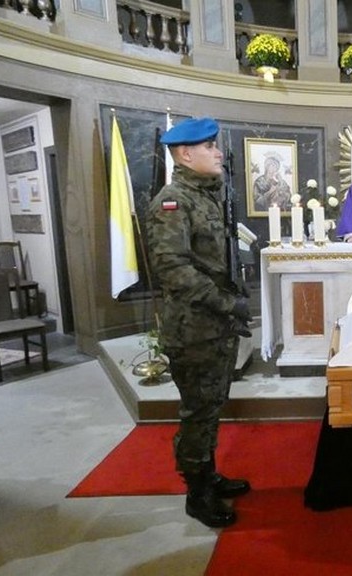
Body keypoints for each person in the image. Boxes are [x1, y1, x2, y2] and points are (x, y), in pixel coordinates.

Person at [148, 117, 253, 528]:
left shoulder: (208, 196)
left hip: (216, 325)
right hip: (193, 329)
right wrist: (226, 303)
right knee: (197, 412)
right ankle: (197, 492)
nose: (217, 152)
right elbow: (173, 268)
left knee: (211, 407)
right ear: (185, 154)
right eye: (209, 147)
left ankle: (208, 475)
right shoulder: (173, 202)